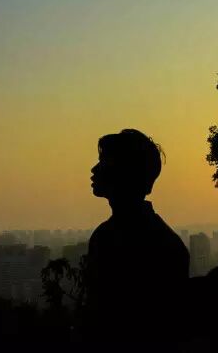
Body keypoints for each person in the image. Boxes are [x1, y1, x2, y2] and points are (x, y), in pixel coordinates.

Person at [83, 129, 190, 349]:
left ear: (123, 172)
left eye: (103, 161)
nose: (94, 169)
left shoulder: (113, 237)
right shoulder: (164, 240)